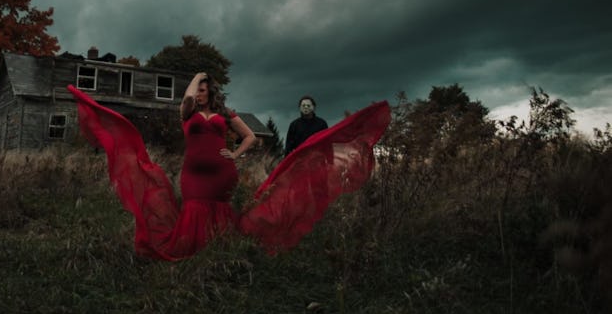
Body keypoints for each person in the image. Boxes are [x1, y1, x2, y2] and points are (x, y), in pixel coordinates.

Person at [67, 72, 391, 261]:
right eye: (200, 89)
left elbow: (251, 137)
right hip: (194, 176)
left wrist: (234, 156)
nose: (200, 92)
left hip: (223, 176)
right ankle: (199, 255)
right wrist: (198, 76)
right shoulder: (188, 114)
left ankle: (220, 254)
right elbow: (186, 98)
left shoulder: (225, 115)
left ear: (213, 93)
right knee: (193, 210)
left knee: (222, 215)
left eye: (205, 88)